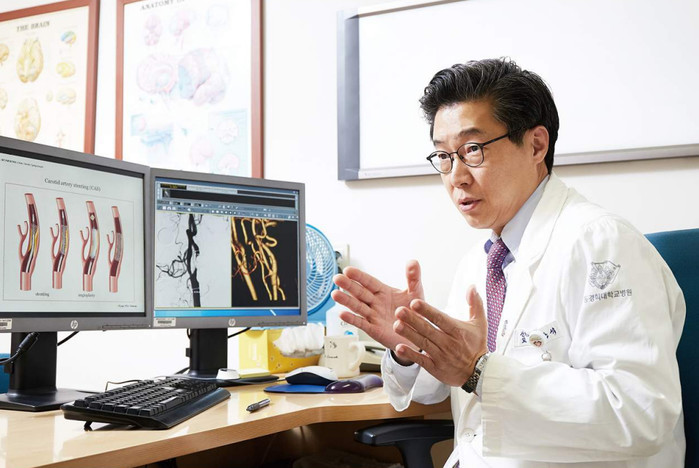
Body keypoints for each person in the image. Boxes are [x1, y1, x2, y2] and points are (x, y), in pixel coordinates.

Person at [331, 58, 686, 467]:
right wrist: (412, 348)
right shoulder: (480, 262)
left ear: (536, 145)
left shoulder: (602, 242)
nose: (456, 176)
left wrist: (478, 370)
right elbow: (444, 388)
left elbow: (640, 413)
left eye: (472, 149)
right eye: (444, 155)